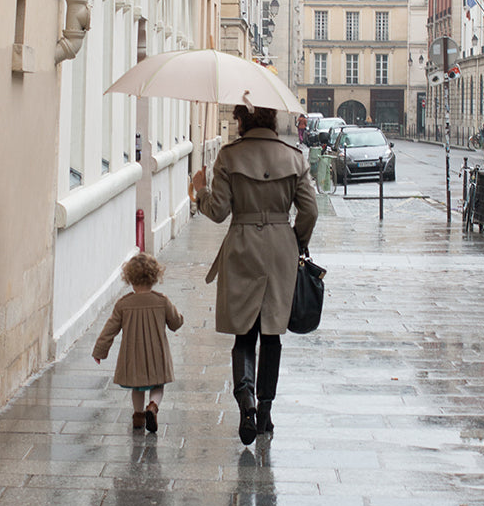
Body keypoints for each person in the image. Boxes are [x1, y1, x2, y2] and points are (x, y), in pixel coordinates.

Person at [190, 104, 318, 445]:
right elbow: (310, 210)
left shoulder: (230, 156)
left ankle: (244, 400)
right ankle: (265, 412)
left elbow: (217, 212)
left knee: (243, 331)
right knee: (272, 333)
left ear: (244, 120)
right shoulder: (294, 157)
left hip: (242, 245)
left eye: (236, 117)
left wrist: (199, 190)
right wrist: (296, 241)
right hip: (280, 248)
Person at [92, 252, 184, 433]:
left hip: (133, 355)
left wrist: (99, 351)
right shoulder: (162, 301)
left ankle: (138, 416)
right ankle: (153, 407)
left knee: (137, 387)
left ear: (129, 278)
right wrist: (179, 318)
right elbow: (176, 323)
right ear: (154, 277)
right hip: (157, 353)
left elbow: (110, 329)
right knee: (158, 385)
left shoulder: (123, 304)